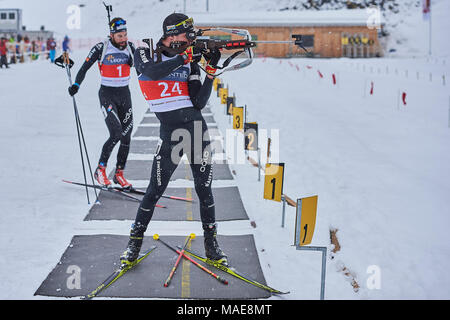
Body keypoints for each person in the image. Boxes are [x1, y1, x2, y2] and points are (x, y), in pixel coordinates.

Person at [120, 13, 227, 266]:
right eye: (187, 35)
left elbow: (198, 102)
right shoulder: (146, 49)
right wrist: (184, 57)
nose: (190, 39)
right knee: (154, 190)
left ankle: (212, 246)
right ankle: (133, 243)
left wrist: (210, 73)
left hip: (196, 131)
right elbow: (151, 72)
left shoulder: (189, 61)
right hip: (170, 133)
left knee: (205, 191)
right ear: (172, 34)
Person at [67, 17, 136, 189]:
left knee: (126, 136)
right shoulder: (101, 47)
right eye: (120, 36)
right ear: (112, 35)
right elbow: (84, 67)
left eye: (125, 35)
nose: (123, 39)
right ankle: (100, 169)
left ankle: (119, 174)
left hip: (125, 95)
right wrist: (76, 84)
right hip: (107, 94)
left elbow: (143, 68)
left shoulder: (131, 48)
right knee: (116, 133)